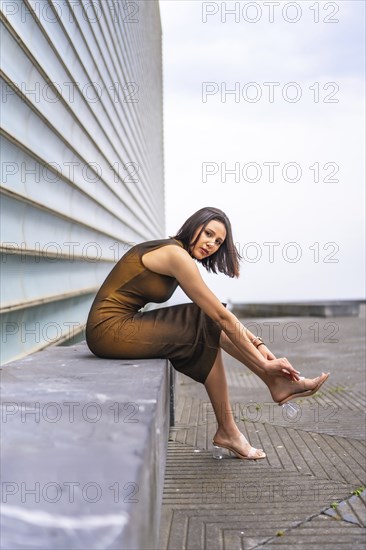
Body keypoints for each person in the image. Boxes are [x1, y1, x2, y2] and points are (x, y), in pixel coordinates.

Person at [86, 207, 329, 460]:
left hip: (119, 325)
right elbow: (220, 315)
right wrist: (262, 361)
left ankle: (243, 414)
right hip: (107, 331)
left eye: (218, 242)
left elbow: (218, 315)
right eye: (208, 233)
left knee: (206, 324)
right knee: (207, 320)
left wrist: (259, 345)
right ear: (195, 226)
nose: (211, 244)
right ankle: (249, 406)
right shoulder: (175, 255)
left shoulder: (178, 254)